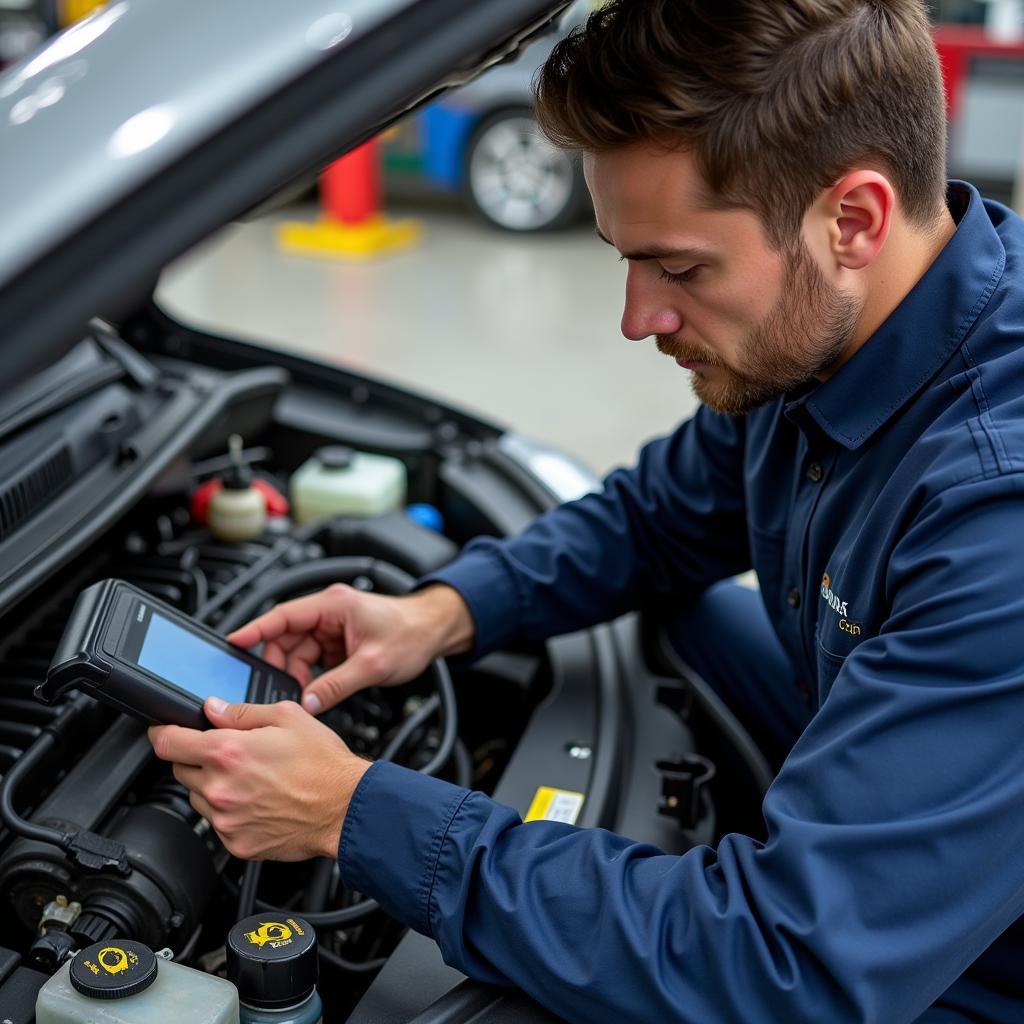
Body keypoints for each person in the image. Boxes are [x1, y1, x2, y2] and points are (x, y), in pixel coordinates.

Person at [149, 1, 1024, 1020]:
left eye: (681, 268)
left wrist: (356, 812)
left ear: (854, 219)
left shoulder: (993, 519)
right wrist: (441, 612)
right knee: (686, 620)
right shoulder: (833, 331)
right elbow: (660, 516)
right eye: (626, 260)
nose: (637, 318)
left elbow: (790, 966)